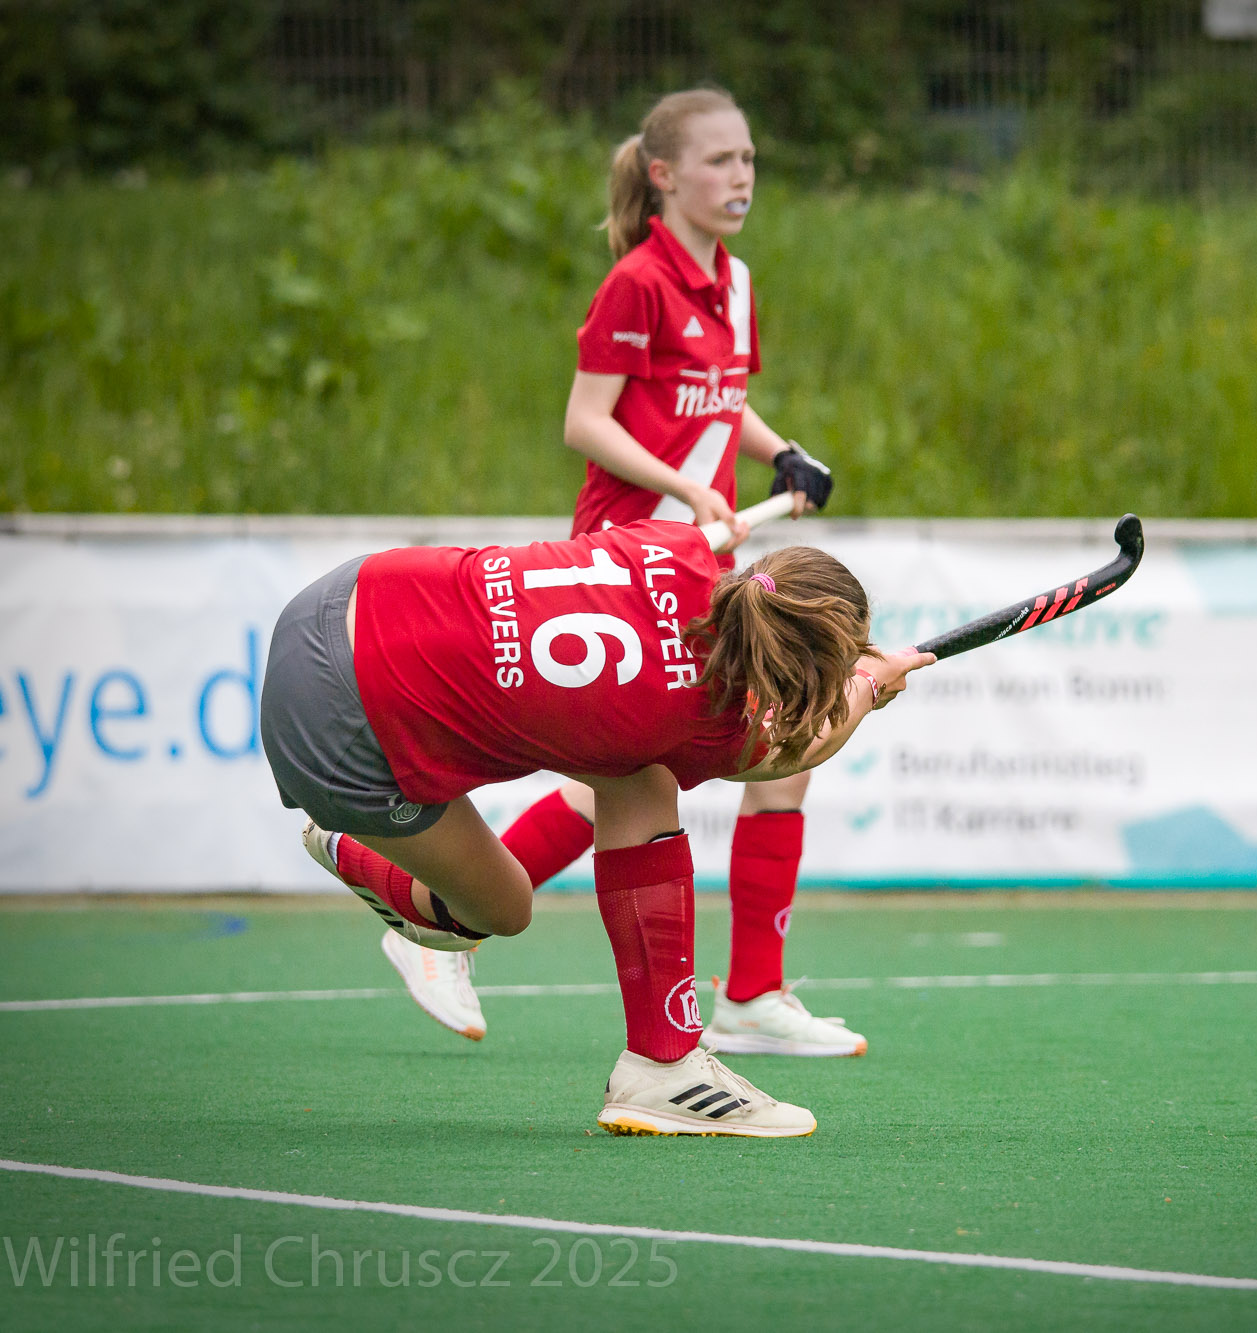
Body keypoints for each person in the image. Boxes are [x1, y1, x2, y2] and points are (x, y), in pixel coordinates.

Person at [378, 86, 854, 1058]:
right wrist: (686, 486)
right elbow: (584, 420)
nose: (741, 177)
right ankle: (440, 923)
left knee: (778, 741)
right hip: (626, 556)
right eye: (719, 161)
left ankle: (751, 994)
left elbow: (719, 395)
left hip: (706, 564)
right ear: (664, 175)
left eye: (749, 159)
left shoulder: (736, 281)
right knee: (630, 779)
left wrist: (779, 451)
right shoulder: (636, 282)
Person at [261, 520, 931, 1136]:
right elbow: (788, 756)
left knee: (638, 777)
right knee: (502, 909)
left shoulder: (681, 545)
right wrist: (867, 689)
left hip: (341, 597)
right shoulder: (698, 715)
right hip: (331, 730)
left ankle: (665, 1062)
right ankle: (664, 1068)